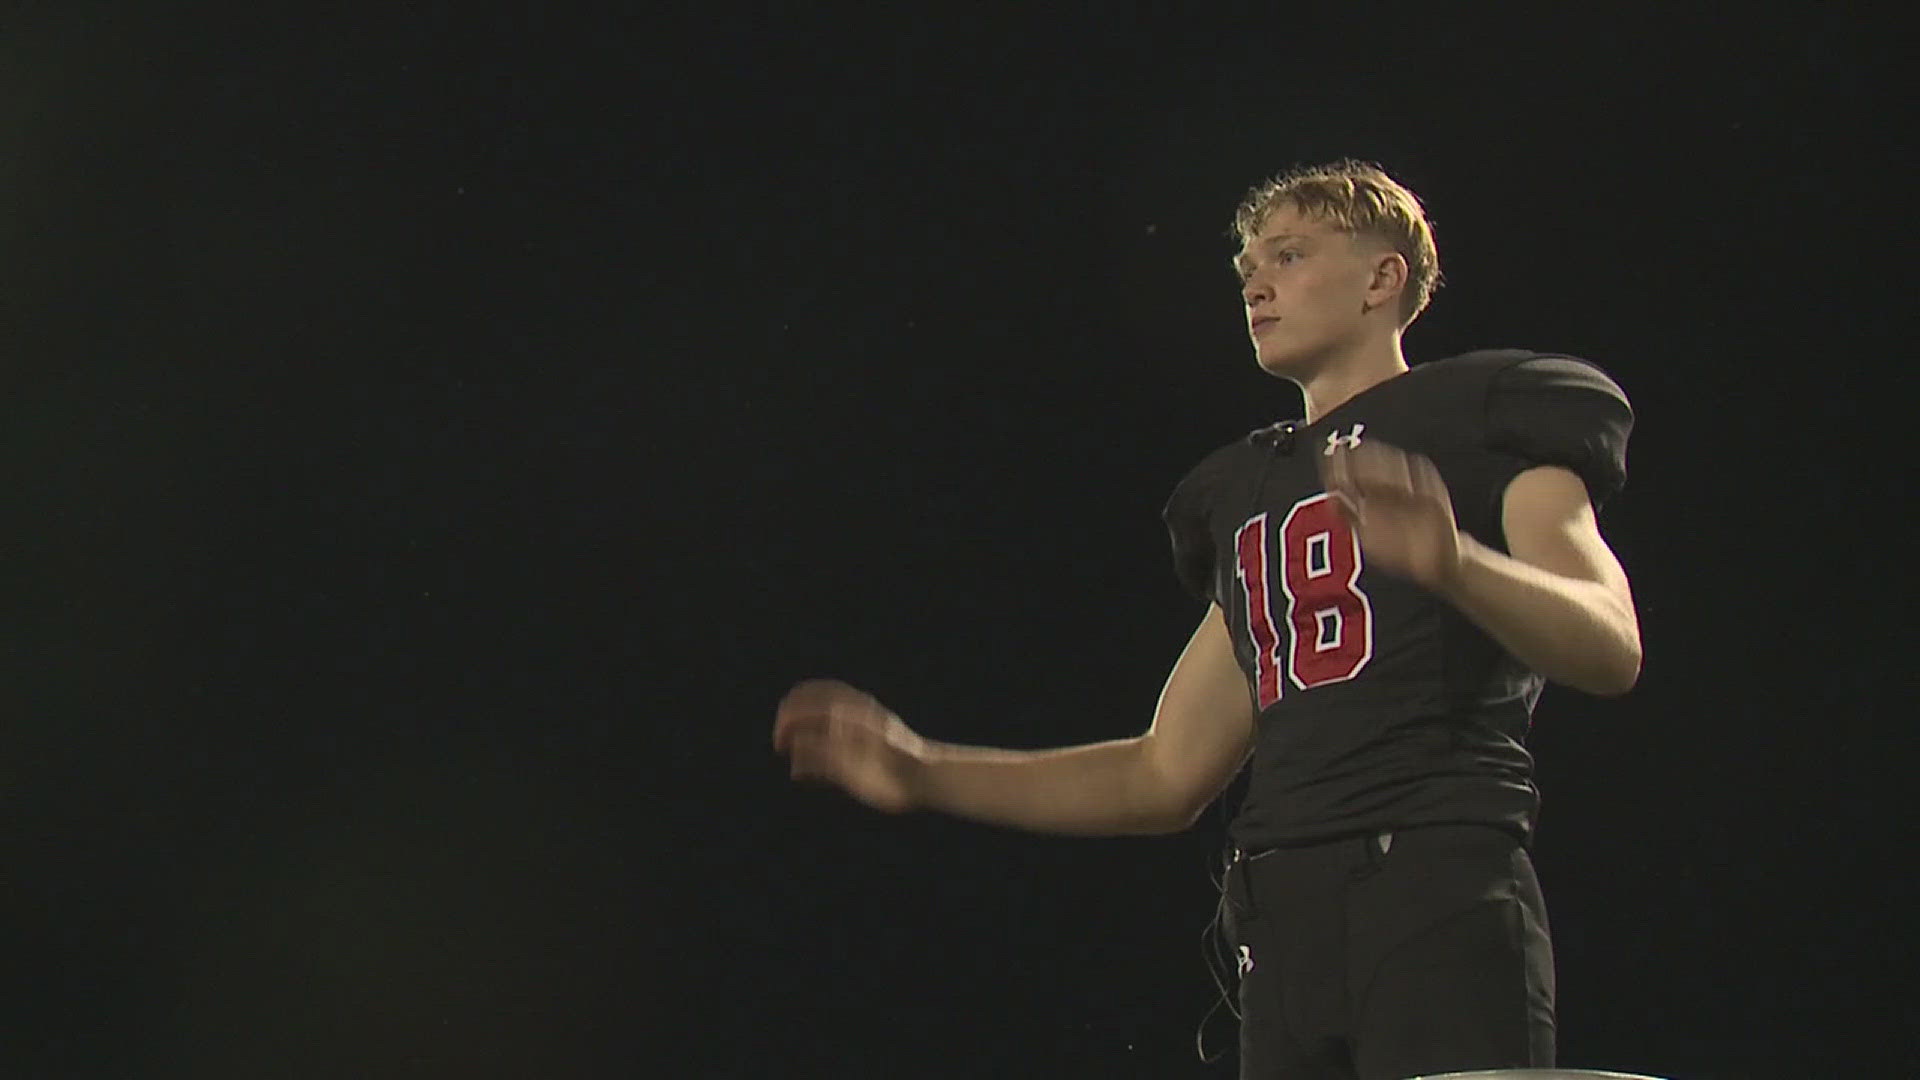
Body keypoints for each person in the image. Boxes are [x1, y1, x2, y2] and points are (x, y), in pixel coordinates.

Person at [772, 159, 1640, 1080]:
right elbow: (1163, 772)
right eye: (1248, 267)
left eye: (1292, 254)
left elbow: (1610, 642)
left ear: (1384, 281)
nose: (1257, 283)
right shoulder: (1246, 486)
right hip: (1280, 912)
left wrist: (1454, 563)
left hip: (1433, 882)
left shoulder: (1485, 413)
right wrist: (925, 772)